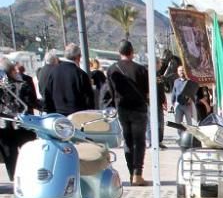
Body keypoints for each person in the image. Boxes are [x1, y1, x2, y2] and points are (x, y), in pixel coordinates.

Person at [103, 40, 149, 186]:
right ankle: (137, 173)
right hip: (139, 109)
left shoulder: (112, 69)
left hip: (122, 108)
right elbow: (147, 91)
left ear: (119, 52)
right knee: (139, 141)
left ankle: (131, 173)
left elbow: (110, 91)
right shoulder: (141, 69)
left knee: (128, 141)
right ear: (132, 52)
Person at [42, 43, 94, 115]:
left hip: (58, 116)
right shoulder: (81, 74)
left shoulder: (53, 72)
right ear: (78, 57)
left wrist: (49, 112)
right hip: (77, 116)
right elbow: (89, 99)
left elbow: (47, 93)